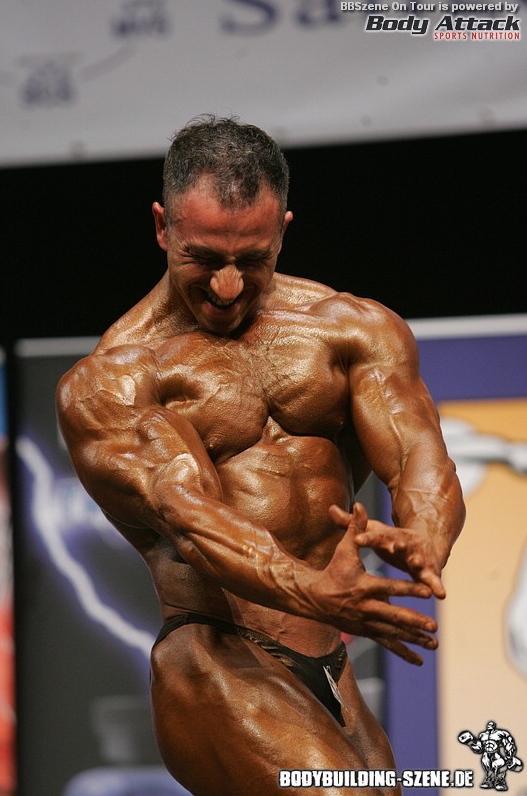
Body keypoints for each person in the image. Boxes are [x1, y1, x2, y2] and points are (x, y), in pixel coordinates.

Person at [56, 115, 465, 796]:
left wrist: (426, 536)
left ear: (282, 231)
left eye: (251, 259)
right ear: (162, 228)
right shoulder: (118, 378)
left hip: (328, 662)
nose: (226, 286)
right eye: (203, 259)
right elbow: (191, 518)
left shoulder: (352, 329)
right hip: (214, 659)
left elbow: (419, 456)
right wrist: (311, 589)